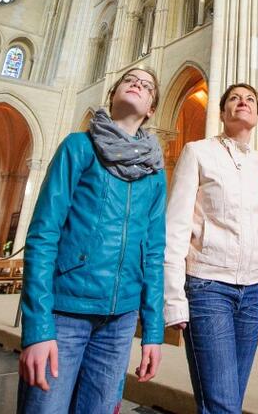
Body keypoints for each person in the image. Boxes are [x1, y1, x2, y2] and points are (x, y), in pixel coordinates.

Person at [17, 68, 166, 414]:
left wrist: (153, 332)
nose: (137, 85)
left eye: (146, 86)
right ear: (113, 93)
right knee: (45, 408)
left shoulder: (154, 172)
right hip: (66, 310)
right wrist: (38, 328)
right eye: (130, 80)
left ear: (151, 110)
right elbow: (43, 234)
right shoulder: (78, 147)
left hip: (121, 318)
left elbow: (155, 253)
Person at [163, 82, 258, 414]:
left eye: (251, 99)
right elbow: (176, 226)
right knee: (222, 402)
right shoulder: (198, 152)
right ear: (222, 112)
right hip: (209, 286)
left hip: (254, 291)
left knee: (226, 400)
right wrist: (173, 298)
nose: (244, 102)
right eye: (235, 99)